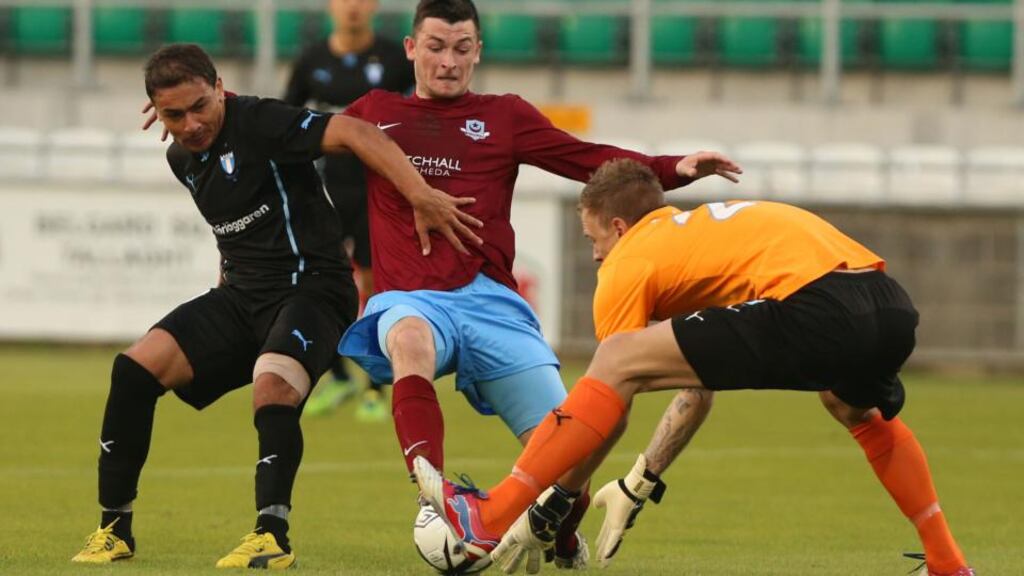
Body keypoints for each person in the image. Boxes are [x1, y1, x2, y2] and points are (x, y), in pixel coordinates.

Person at [415, 159, 974, 576]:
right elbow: (696, 387)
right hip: (887, 302)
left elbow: (610, 397)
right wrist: (640, 481)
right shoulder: (702, 238)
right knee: (851, 405)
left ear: (617, 226)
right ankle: (948, 562)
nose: (594, 255)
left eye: (592, 239)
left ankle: (487, 518)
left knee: (613, 358)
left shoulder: (632, 260)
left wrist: (558, 502)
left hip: (817, 307)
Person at [334, 0, 739, 567]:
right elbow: (296, 136)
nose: (448, 62)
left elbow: (587, 159)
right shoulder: (374, 112)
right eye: (434, 46)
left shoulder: (505, 116)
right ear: (410, 48)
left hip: (492, 302)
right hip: (413, 296)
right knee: (408, 339)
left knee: (577, 447)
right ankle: (435, 490)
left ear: (478, 51)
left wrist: (673, 168)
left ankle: (557, 530)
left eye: (461, 48)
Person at [70, 43, 478, 568]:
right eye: (175, 114)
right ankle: (113, 531)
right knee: (132, 371)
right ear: (157, 113)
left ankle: (271, 535)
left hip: (314, 288)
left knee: (273, 385)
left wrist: (420, 195)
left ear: (220, 88)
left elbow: (356, 132)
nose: (191, 123)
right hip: (241, 297)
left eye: (200, 106)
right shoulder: (181, 158)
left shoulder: (261, 121)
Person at [284, 0, 416, 421]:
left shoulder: (396, 60)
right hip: (324, 188)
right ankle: (338, 374)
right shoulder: (311, 61)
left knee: (379, 284)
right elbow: (286, 121)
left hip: (378, 186)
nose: (353, 7)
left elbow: (418, 117)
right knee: (316, 279)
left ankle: (376, 386)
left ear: (374, 6)